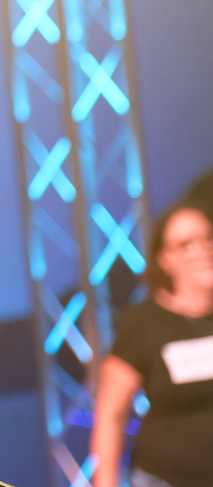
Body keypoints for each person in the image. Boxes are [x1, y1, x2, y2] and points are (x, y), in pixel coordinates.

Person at [91, 203, 213, 487]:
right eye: (186, 245)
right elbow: (111, 414)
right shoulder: (143, 322)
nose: (204, 251)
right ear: (165, 259)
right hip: (167, 478)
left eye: (209, 238)